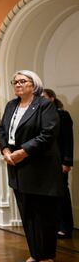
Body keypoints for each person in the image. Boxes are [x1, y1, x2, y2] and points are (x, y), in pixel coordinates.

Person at [0, 71, 62, 262]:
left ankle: (47, 256)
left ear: (33, 84)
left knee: (44, 216)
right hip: (17, 168)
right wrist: (6, 149)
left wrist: (23, 152)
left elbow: (48, 133)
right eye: (15, 82)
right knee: (28, 215)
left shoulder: (44, 105)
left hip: (40, 168)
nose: (18, 85)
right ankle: (35, 253)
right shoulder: (11, 105)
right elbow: (2, 129)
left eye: (22, 81)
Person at [42, 88, 74, 239]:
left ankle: (65, 227)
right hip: (44, 162)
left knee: (61, 194)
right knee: (48, 197)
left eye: (44, 97)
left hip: (59, 161)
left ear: (52, 99)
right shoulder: (39, 115)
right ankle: (52, 225)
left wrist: (66, 161)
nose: (41, 99)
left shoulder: (63, 115)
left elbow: (68, 140)